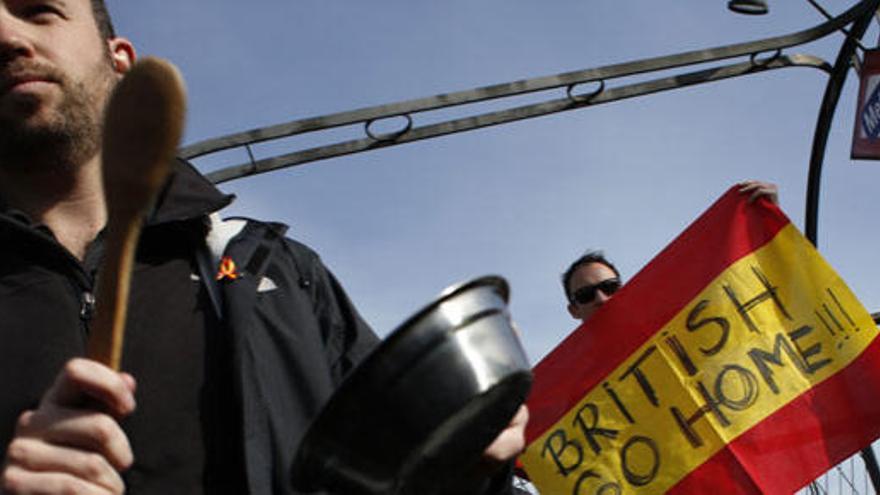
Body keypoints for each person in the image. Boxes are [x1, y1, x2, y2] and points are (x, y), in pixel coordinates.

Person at [0, 1, 526, 494]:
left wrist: (466, 465)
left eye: (39, 10)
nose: (6, 35)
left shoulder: (277, 274)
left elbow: (391, 475)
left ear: (122, 62)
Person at [562, 181, 779, 325]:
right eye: (585, 295)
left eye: (609, 287)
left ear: (624, 288)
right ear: (574, 310)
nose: (601, 299)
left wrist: (766, 224)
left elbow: (755, 297)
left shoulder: (678, 323)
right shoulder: (573, 382)